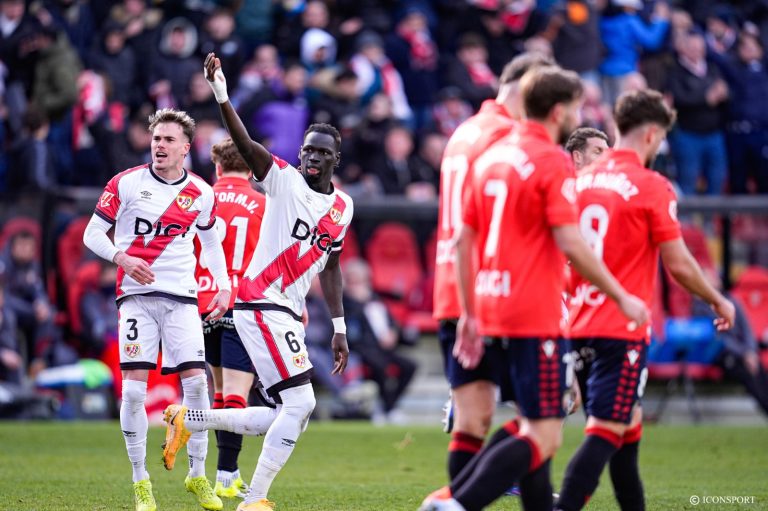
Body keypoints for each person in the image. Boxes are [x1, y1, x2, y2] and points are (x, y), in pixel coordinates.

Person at [421, 67, 649, 511]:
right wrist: (621, 295)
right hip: (530, 306)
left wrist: (469, 311)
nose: (579, 116)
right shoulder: (549, 160)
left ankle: (461, 497)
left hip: (485, 299)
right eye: (577, 109)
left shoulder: (490, 152)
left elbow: (463, 237)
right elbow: (570, 242)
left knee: (484, 422)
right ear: (559, 110)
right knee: (544, 429)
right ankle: (456, 501)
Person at [161, 52, 353, 511]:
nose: (313, 157)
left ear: (336, 158)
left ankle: (191, 419)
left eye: (322, 152)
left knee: (284, 412)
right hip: (260, 303)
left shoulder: (343, 207)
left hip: (284, 309)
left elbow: (331, 267)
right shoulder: (283, 180)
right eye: (308, 150)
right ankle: (255, 497)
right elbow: (245, 144)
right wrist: (221, 93)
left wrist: (340, 327)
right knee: (301, 404)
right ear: (300, 152)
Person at [557, 89, 735, 511]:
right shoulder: (651, 185)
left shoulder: (578, 182)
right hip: (621, 327)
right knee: (605, 433)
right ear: (653, 133)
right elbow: (679, 264)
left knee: (626, 433)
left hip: (579, 324)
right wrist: (717, 299)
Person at [83, 107, 232, 511]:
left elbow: (211, 241)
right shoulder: (126, 183)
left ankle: (197, 474)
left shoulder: (201, 192)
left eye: (168, 140)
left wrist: (224, 284)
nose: (160, 145)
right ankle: (140, 482)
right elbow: (92, 233)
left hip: (182, 298)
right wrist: (122, 258)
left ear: (186, 148)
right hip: (136, 298)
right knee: (133, 391)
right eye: (156, 139)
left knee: (197, 386)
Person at [432, 52, 554, 485]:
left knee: (474, 418)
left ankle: (458, 498)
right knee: (540, 414)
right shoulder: (506, 135)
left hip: (452, 281)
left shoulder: (465, 130)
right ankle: (524, 494)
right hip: (490, 285)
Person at [193, 138, 266, 499]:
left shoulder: (200, 198)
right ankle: (224, 475)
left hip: (203, 301)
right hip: (242, 303)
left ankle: (229, 472)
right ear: (251, 170)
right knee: (237, 395)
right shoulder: (263, 205)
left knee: (221, 392)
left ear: (217, 167)